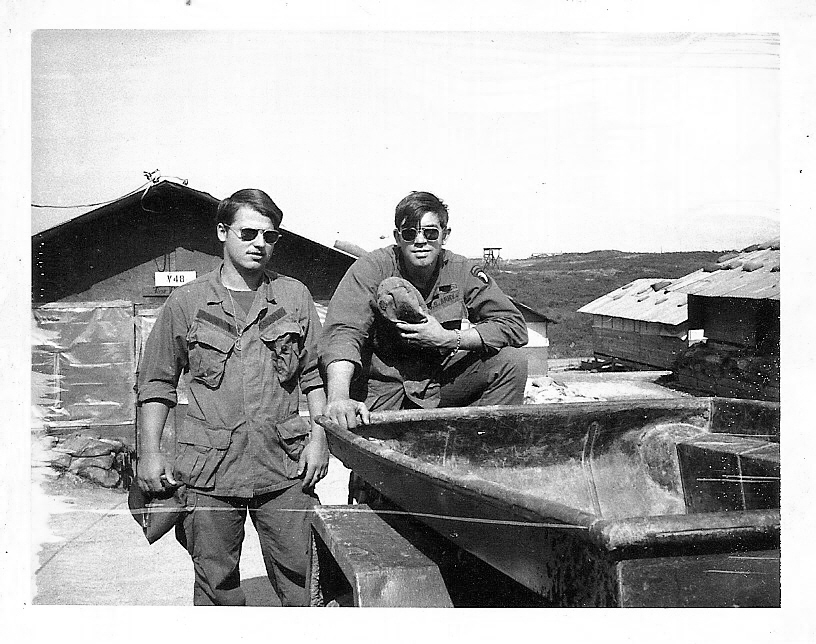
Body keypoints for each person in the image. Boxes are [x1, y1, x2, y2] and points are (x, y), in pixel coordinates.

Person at [136, 188, 328, 606]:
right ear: (223, 232)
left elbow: (315, 376)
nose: (260, 243)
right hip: (211, 470)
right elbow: (156, 383)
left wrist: (319, 439)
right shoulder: (187, 301)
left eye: (270, 236)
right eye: (249, 233)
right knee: (215, 583)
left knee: (304, 578)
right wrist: (149, 454)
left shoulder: (293, 296)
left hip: (285, 466)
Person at [320, 190, 529, 432]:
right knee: (376, 450)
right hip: (384, 388)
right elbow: (344, 332)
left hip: (437, 384)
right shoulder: (371, 268)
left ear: (445, 235)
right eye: (410, 233)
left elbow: (513, 325)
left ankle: (484, 446)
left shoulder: (460, 270)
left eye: (430, 233)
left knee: (511, 362)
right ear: (397, 237)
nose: (420, 241)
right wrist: (339, 397)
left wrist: (449, 338)